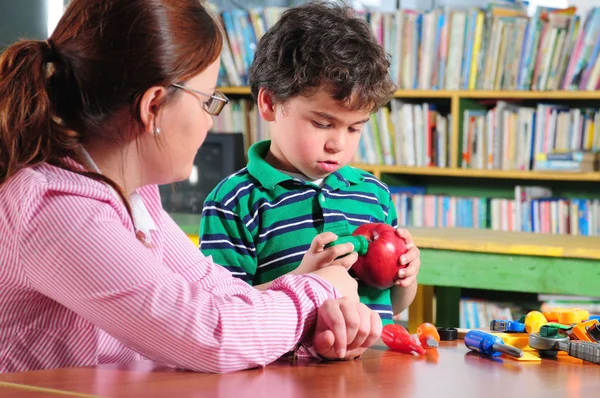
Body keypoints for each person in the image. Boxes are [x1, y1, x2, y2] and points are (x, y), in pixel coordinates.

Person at [0, 0, 382, 374]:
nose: (210, 123)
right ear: (153, 106)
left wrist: (311, 296)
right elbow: (215, 335)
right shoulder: (58, 209)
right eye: (208, 102)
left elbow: (214, 293)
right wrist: (318, 290)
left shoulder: (132, 195)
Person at [199, 2, 421, 326]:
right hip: (287, 374)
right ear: (270, 103)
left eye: (355, 127)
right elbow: (222, 311)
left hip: (375, 372)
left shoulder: (373, 195)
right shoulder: (233, 203)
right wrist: (304, 281)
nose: (338, 144)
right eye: (322, 123)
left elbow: (393, 306)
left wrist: (406, 277)